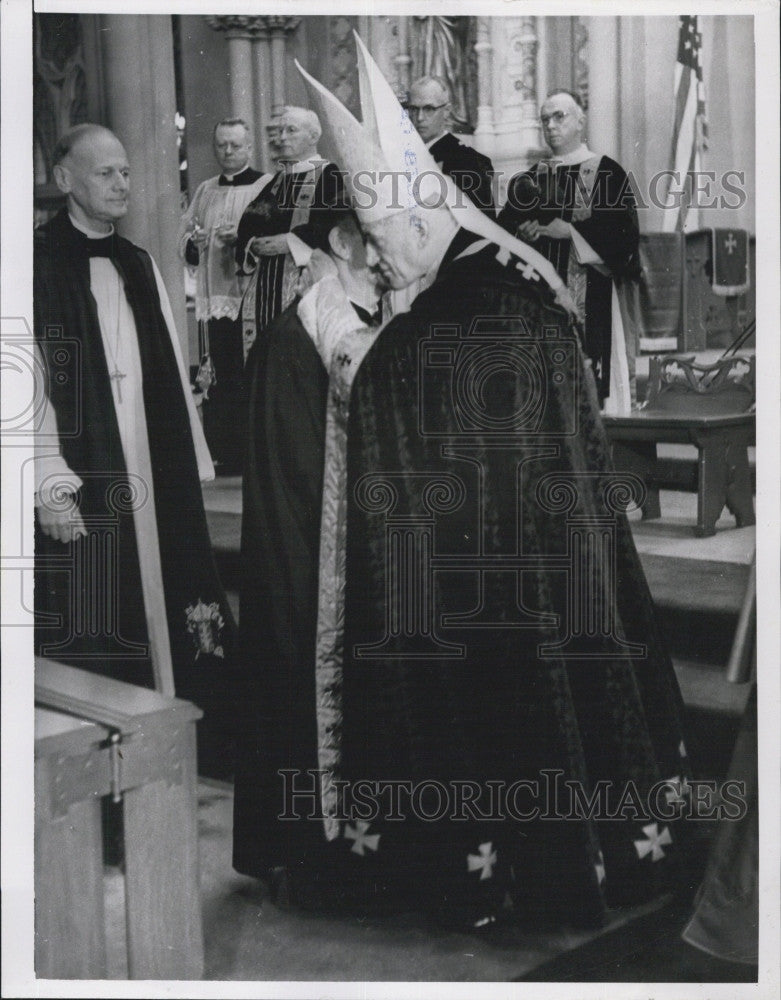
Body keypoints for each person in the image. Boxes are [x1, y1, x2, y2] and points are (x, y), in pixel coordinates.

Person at [289, 35, 692, 931]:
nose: (385, 271)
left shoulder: (396, 356)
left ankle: (472, 877)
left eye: (389, 253)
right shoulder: (540, 315)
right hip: (559, 586)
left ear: (423, 230)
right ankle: (596, 855)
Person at [34, 123, 236, 777]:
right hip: (84, 467)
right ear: (65, 181)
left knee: (162, 587)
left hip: (150, 461)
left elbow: (173, 369)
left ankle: (174, 739)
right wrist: (48, 482)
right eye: (106, 173)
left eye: (126, 172)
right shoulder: (34, 265)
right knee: (101, 603)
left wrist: (193, 461)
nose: (122, 184)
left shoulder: (137, 261)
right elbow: (23, 384)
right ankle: (107, 761)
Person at [233, 206, 383, 893]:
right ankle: (315, 854)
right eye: (377, 238)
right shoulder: (306, 329)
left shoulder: (365, 308)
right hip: (313, 551)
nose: (388, 254)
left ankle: (362, 847)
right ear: (342, 241)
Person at [498, 89, 641, 412]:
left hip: (593, 300)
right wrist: (522, 233)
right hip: (540, 304)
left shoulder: (606, 172)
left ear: (581, 120)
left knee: (591, 400)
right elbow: (503, 231)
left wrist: (572, 232)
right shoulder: (530, 179)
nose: (550, 125)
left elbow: (625, 239)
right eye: (545, 118)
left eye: (559, 116)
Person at [178, 118, 268, 474]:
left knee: (249, 371)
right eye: (221, 145)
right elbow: (184, 236)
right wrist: (193, 244)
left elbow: (271, 236)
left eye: (234, 145)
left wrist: (243, 237)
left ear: (248, 147)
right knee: (219, 373)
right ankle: (225, 451)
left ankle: (252, 452)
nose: (227, 152)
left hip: (251, 296)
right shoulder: (204, 190)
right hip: (215, 296)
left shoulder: (265, 186)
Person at [234, 106, 345, 356]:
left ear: (313, 136)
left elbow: (336, 227)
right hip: (264, 291)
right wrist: (252, 244)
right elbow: (247, 223)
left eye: (291, 130)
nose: (282, 137)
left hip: (306, 287)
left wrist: (292, 241)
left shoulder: (330, 175)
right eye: (280, 130)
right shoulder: (277, 180)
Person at [407, 75, 495, 217]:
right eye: (414, 109)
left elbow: (482, 228)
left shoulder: (468, 161)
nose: (419, 118)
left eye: (429, 109)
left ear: (447, 111)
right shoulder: (402, 156)